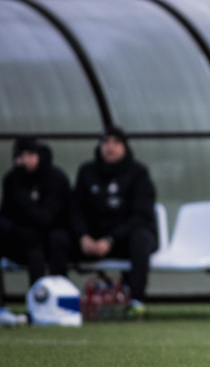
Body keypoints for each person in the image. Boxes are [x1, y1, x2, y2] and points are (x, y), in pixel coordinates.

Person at [51, 126, 158, 319]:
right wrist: (83, 236)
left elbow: (141, 215)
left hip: (122, 241)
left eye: (116, 143)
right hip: (91, 241)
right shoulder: (87, 171)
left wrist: (110, 239)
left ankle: (136, 303)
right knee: (58, 238)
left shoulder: (138, 173)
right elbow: (75, 210)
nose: (110, 147)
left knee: (141, 238)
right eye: (105, 142)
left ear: (125, 146)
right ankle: (61, 304)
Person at [0, 137, 71, 326]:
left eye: (31, 154)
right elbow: (6, 214)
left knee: (48, 244)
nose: (26, 160)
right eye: (21, 155)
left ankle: (50, 304)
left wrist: (22, 196)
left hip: (50, 241)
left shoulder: (56, 178)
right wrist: (15, 230)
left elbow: (46, 217)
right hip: (21, 240)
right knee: (28, 245)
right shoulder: (11, 179)